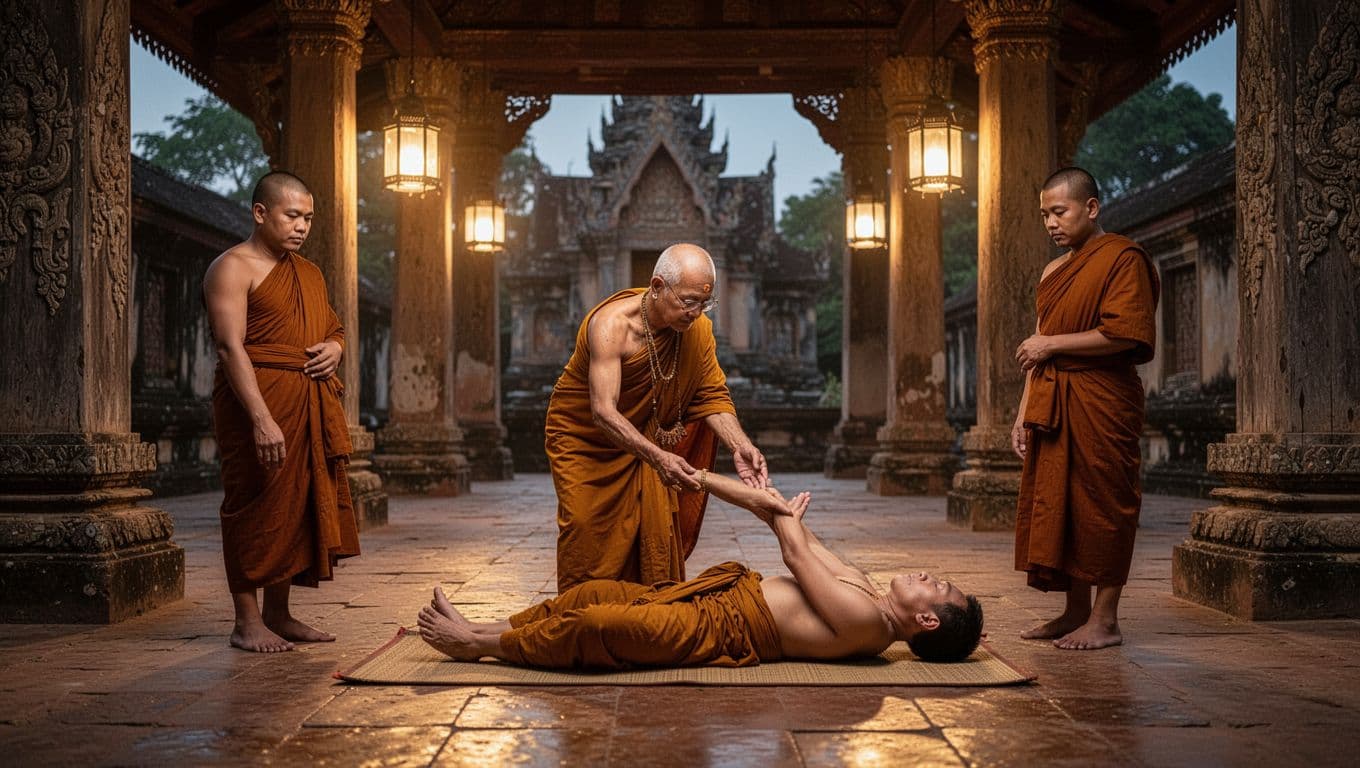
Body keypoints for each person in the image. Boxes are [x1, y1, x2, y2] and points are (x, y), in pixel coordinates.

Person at [416, 471, 984, 669]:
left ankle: (481, 647)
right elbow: (802, 537)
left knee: (601, 629)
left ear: (927, 622)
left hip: (718, 632)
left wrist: (764, 506)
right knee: (593, 592)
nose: (927, 575)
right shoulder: (866, 587)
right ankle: (487, 627)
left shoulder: (869, 625)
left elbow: (793, 553)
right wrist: (722, 484)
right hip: (715, 597)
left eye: (937, 587)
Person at [546, 243, 772, 592]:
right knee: (584, 524)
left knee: (654, 532)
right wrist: (658, 457)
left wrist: (740, 445)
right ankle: (581, 620)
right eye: (688, 301)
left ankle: (640, 622)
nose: (696, 313)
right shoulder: (611, 326)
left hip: (644, 437)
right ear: (656, 287)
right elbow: (603, 412)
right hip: (586, 440)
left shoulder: (696, 332)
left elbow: (710, 394)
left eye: (704, 302)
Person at [203, 171, 360, 653]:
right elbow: (231, 348)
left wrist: (335, 347)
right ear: (260, 213)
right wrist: (261, 418)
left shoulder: (308, 273)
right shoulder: (232, 267)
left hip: (307, 399)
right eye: (292, 215)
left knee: (295, 504)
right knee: (255, 500)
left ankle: (279, 612)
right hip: (256, 398)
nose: (301, 226)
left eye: (308, 218)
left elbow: (333, 328)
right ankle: (246, 620)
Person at [1012, 167, 1160, 651]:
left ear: (1091, 208)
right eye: (1044, 215)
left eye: (1060, 211)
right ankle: (1074, 610)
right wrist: (1022, 412)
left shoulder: (1123, 258)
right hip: (1053, 402)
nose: (1051, 223)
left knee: (1105, 504)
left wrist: (1051, 344)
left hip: (1102, 397)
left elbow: (1125, 333)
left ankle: (1106, 618)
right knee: (1061, 504)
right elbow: (1038, 346)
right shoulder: (1053, 272)